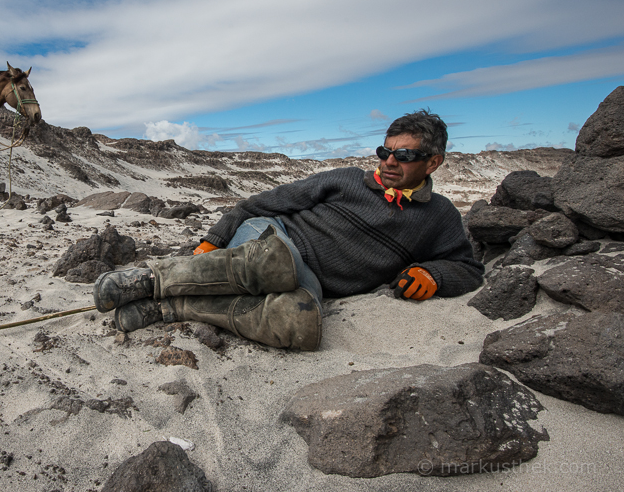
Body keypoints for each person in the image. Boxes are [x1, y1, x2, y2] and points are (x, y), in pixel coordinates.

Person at [92, 109, 484, 351]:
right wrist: (215, 237)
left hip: (311, 281)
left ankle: (166, 309)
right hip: (273, 235)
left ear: (433, 163)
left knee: (299, 324)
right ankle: (147, 280)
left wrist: (434, 273)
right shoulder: (347, 178)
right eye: (384, 151)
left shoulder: (441, 216)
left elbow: (466, 267)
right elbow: (259, 203)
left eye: (404, 155)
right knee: (272, 262)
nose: (389, 161)